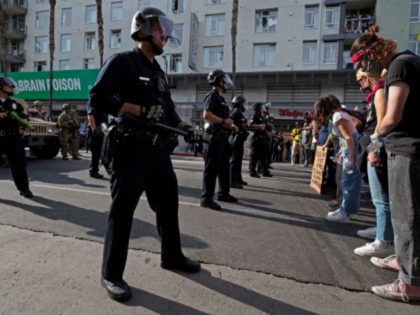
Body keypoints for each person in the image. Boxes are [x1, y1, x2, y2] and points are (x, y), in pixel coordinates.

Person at [87, 7, 200, 302]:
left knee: (168, 205)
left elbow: (168, 109)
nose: (165, 35)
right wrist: (135, 109)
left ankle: (172, 256)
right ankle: (111, 275)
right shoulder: (122, 62)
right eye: (161, 29)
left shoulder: (158, 72)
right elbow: (98, 97)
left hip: (158, 152)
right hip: (130, 150)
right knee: (122, 213)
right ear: (145, 30)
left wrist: (184, 126)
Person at [351, 25, 420, 302]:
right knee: (408, 215)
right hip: (410, 148)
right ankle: (406, 263)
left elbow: (392, 116)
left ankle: (410, 281)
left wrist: (375, 139)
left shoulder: (399, 66)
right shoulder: (410, 60)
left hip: (406, 148)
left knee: (407, 217)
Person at [353, 68, 394, 258]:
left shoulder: (380, 91)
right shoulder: (377, 92)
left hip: (377, 148)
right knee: (378, 196)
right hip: (374, 147)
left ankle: (383, 239)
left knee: (380, 196)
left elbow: (382, 123)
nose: (361, 85)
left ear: (368, 76)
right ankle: (381, 230)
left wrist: (374, 149)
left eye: (360, 80)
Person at [314, 95, 361, 223]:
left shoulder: (337, 116)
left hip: (351, 150)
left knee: (347, 183)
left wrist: (350, 156)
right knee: (351, 183)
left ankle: (345, 212)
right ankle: (348, 210)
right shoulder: (342, 114)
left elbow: (348, 137)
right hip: (349, 149)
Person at [200, 69, 238, 210]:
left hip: (222, 138)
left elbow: (224, 119)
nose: (226, 85)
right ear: (219, 82)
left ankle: (223, 193)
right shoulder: (212, 96)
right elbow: (206, 115)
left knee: (223, 168)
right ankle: (206, 199)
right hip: (213, 138)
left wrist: (231, 125)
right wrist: (224, 122)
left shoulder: (221, 98)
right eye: (224, 82)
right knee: (211, 169)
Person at [0, 76, 33, 198]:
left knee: (19, 164)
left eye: (12, 85)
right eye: (9, 85)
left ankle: (24, 188)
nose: (12, 87)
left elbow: (24, 117)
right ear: (1, 87)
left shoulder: (14, 104)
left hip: (12, 137)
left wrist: (22, 128)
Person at [229, 95, 249, 189]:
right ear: (240, 104)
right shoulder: (235, 113)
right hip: (235, 139)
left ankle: (238, 179)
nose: (245, 106)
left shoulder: (240, 114)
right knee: (234, 160)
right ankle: (232, 181)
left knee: (238, 160)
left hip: (240, 139)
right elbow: (230, 122)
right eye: (243, 104)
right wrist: (234, 126)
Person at [248, 102, 269, 177]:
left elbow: (263, 127)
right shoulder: (254, 115)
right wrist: (259, 125)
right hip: (255, 138)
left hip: (261, 138)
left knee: (263, 156)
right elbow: (250, 125)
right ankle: (252, 172)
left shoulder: (261, 116)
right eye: (261, 108)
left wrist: (267, 132)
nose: (262, 109)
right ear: (257, 109)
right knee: (254, 156)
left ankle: (264, 171)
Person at [86, 110, 107, 178]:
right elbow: (90, 115)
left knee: (98, 153)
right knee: (96, 153)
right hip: (95, 132)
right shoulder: (94, 102)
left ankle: (94, 171)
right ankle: (93, 171)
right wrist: (94, 129)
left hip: (100, 131)